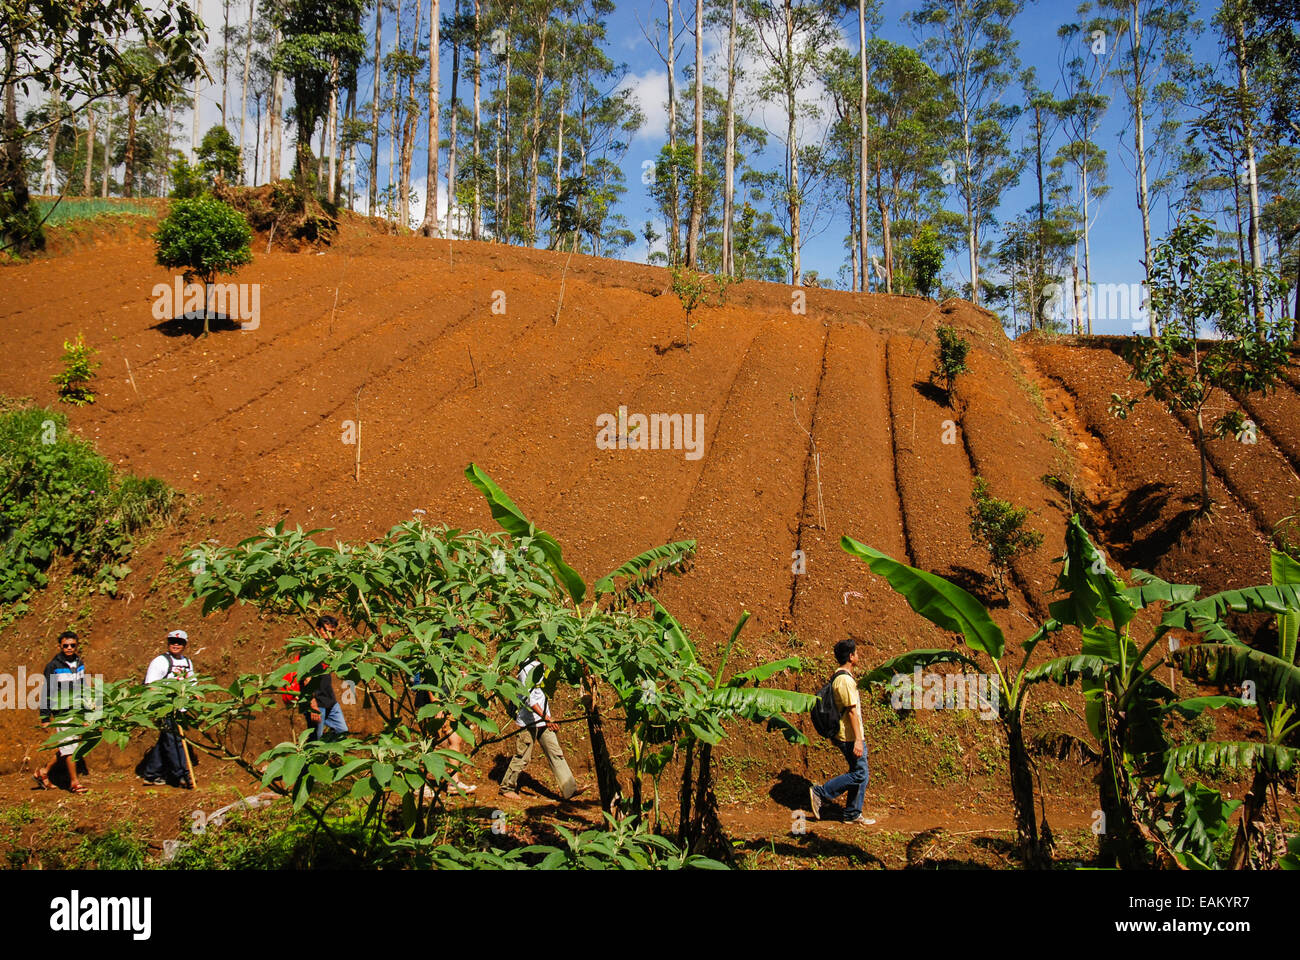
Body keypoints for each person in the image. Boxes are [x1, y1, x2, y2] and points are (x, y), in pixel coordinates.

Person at [809, 638, 876, 825]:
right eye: (856, 652)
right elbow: (852, 712)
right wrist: (857, 740)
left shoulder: (839, 676)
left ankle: (853, 813)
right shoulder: (845, 681)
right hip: (849, 735)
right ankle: (821, 792)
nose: (858, 655)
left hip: (848, 734)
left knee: (860, 771)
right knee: (860, 773)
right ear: (851, 656)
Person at [499, 659, 581, 802]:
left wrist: (546, 717)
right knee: (522, 757)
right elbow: (529, 699)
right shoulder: (526, 670)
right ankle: (507, 787)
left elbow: (539, 694)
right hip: (529, 721)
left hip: (543, 719)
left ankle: (570, 789)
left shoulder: (540, 666)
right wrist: (547, 718)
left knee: (556, 753)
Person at [137, 629, 198, 788]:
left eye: (179, 642)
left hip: (181, 708)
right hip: (165, 708)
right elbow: (151, 686)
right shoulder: (160, 661)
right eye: (172, 641)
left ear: (185, 644)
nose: (175, 645)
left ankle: (151, 774)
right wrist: (160, 706)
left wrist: (196, 699)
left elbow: (192, 683)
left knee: (167, 739)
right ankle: (182, 775)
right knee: (175, 740)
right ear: (168, 643)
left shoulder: (187, 662)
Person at [34, 631, 90, 794]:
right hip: (62, 711)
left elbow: (83, 688)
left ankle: (43, 773)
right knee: (70, 747)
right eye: (65, 645)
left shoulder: (79, 663)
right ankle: (74, 782)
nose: (69, 648)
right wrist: (45, 716)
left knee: (67, 745)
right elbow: (47, 691)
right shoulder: (53, 666)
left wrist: (86, 712)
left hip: (76, 710)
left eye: (72, 645)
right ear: (60, 646)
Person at [300, 615, 348, 742]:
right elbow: (306, 678)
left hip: (330, 700)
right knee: (316, 738)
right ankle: (309, 760)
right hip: (316, 702)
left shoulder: (329, 650)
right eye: (326, 631)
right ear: (318, 629)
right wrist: (312, 704)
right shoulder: (310, 650)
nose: (329, 634)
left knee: (342, 730)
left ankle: (326, 753)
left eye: (332, 632)